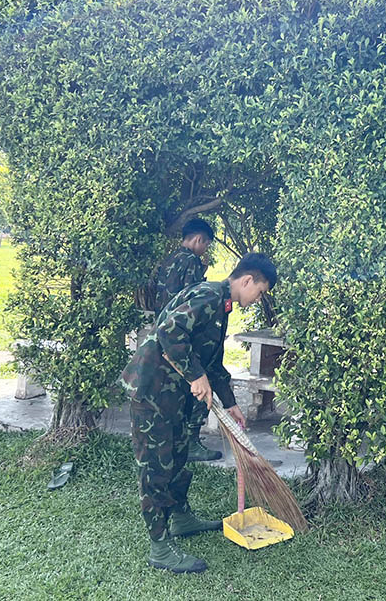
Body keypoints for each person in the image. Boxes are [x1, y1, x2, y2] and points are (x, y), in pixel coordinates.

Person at [120, 253, 277, 573]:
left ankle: (180, 518)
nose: (258, 299)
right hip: (152, 393)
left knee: (177, 458)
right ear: (247, 280)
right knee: (156, 468)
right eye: (260, 292)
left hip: (173, 397)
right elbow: (169, 332)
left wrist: (230, 402)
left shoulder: (221, 306)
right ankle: (160, 547)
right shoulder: (207, 297)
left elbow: (213, 361)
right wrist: (195, 376)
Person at [150, 218, 222, 462]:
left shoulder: (169, 260)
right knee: (200, 384)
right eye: (206, 245)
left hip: (163, 331)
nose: (205, 250)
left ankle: (175, 442)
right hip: (183, 335)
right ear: (199, 239)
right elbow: (193, 301)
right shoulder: (191, 262)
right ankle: (191, 443)